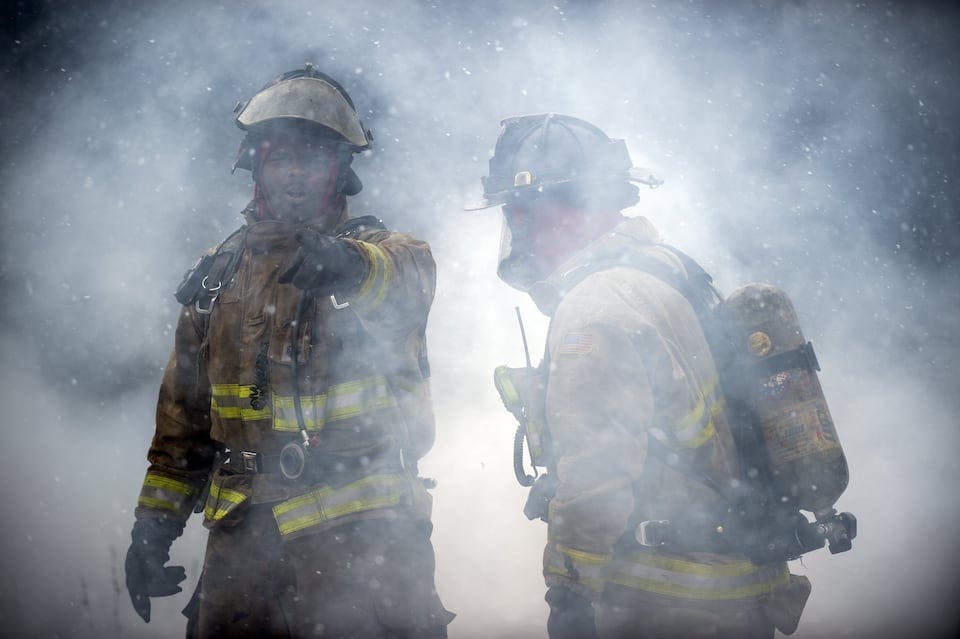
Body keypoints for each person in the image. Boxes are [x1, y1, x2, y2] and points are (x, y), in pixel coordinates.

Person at [124, 63, 453, 638]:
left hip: (363, 547)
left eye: (312, 158)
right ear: (257, 166)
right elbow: (183, 421)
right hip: (242, 558)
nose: (295, 175)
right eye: (281, 158)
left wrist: (351, 267)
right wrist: (154, 525)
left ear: (339, 171)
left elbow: (404, 279)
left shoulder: (384, 254)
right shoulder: (216, 278)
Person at [470, 113, 811, 638]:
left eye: (521, 212)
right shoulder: (667, 272)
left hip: (663, 602)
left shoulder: (596, 308)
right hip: (732, 591)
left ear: (569, 208)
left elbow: (597, 473)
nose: (519, 230)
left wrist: (571, 591)